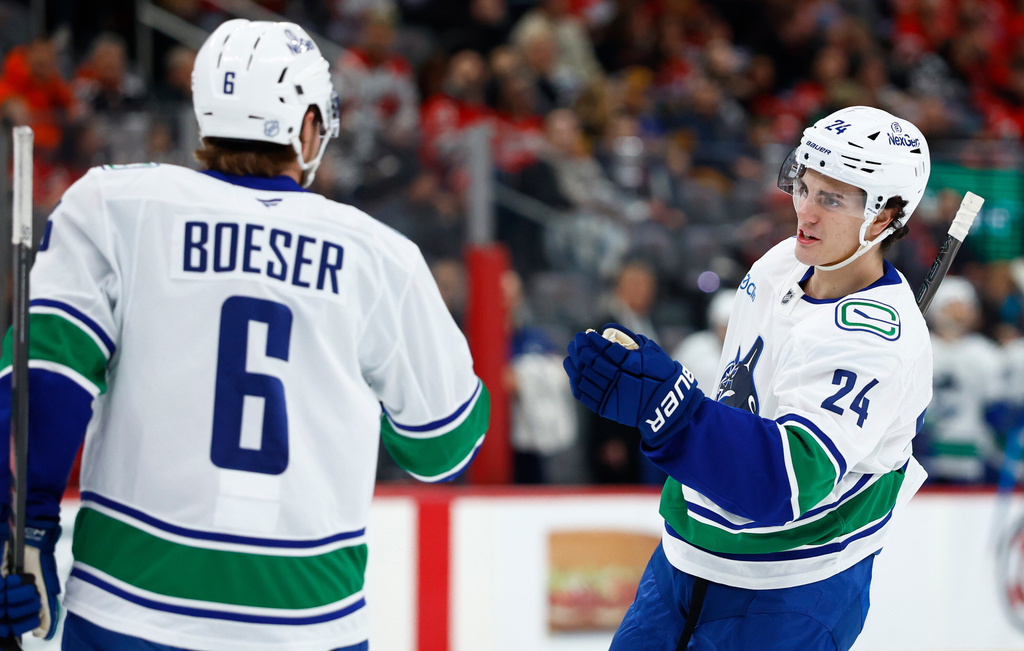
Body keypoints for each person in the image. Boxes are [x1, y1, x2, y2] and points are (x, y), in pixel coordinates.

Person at [0, 19, 489, 650]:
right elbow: (444, 446)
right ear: (308, 128)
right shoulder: (379, 255)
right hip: (308, 619)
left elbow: (46, 379)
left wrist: (25, 529)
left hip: (130, 606)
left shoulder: (115, 204)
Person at [564, 105, 933, 650]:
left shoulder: (876, 340)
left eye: (831, 200)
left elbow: (786, 481)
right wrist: (656, 381)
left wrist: (667, 406)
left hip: (793, 588)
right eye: (804, 187)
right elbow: (736, 397)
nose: (805, 212)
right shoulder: (781, 263)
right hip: (685, 556)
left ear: (883, 219)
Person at [921, 276, 1003, 484]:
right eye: (951, 306)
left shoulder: (986, 353)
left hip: (974, 459)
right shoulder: (919, 347)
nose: (958, 314)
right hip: (921, 457)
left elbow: (996, 410)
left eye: (964, 307)